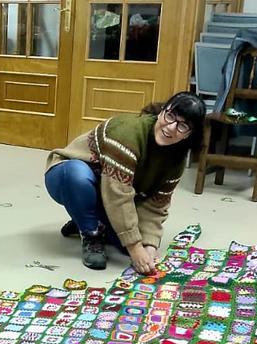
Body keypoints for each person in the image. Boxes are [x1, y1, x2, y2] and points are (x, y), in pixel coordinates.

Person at [45, 92, 205, 272]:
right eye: (170, 116)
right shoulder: (126, 133)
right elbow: (118, 195)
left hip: (109, 191)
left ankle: (88, 217)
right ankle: (91, 233)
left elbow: (156, 205)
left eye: (183, 126)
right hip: (67, 175)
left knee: (125, 246)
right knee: (77, 176)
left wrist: (149, 245)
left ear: (189, 135)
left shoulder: (177, 160)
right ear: (161, 112)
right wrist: (135, 248)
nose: (171, 127)